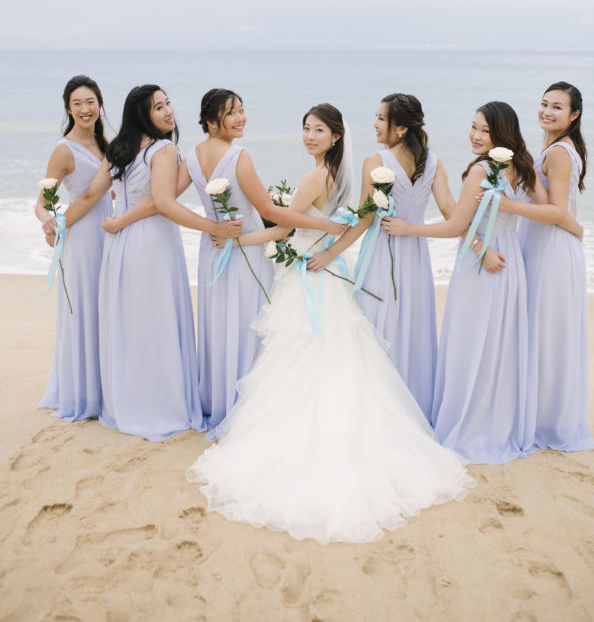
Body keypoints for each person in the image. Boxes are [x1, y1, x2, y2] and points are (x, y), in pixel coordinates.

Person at [186, 103, 473, 545]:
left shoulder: (314, 177)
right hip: (332, 273)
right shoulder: (339, 173)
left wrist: (238, 237)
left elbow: (283, 228)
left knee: (301, 357)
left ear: (336, 136)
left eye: (317, 130)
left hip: (312, 273)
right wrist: (329, 245)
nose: (308, 136)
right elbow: (353, 220)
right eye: (304, 128)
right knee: (343, 357)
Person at [108, 88, 347, 433]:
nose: (240, 118)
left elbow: (163, 199)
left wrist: (122, 212)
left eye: (241, 110)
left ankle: (218, 402)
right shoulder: (239, 157)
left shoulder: (191, 155)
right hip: (244, 249)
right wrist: (323, 223)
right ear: (211, 121)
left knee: (217, 325)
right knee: (250, 324)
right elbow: (266, 209)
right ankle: (247, 407)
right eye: (231, 113)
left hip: (213, 249)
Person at [382, 101, 582, 464]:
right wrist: (574, 227)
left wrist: (408, 229)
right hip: (511, 263)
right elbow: (554, 210)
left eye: (485, 130)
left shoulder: (483, 170)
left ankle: (467, 423)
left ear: (500, 134)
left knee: (469, 343)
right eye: (473, 127)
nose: (475, 135)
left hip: (480, 267)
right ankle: (497, 424)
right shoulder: (522, 167)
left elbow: (456, 227)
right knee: (500, 346)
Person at [63, 85, 240, 441]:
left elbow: (90, 195)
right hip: (153, 245)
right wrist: (214, 227)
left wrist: (61, 225)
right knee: (157, 321)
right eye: (159, 107)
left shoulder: (118, 149)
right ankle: (160, 403)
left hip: (119, 245)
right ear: (144, 114)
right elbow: (164, 204)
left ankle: (125, 401)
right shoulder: (164, 149)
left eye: (168, 103)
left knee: (129, 323)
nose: (168, 111)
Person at [307, 93, 458, 419]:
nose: (374, 124)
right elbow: (453, 214)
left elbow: (364, 217)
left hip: (382, 257)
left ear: (401, 128)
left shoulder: (375, 162)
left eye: (380, 118)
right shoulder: (435, 162)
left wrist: (330, 252)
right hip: (416, 258)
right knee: (411, 329)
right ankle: (412, 408)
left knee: (377, 328)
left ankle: (380, 413)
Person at [494, 82, 592, 451]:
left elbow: (558, 211)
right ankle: (541, 417)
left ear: (574, 115)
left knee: (546, 333)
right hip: (545, 245)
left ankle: (547, 423)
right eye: (544, 104)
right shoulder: (553, 149)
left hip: (551, 251)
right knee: (543, 332)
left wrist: (508, 206)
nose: (547, 112)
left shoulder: (561, 152)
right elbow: (556, 203)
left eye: (557, 107)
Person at [35, 75, 112, 420]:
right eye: (77, 103)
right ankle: (85, 393)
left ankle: (108, 387)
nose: (85, 109)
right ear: (68, 108)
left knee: (107, 309)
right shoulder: (64, 150)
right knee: (84, 309)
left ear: (99, 105)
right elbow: (42, 202)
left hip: (110, 234)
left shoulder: (107, 145)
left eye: (90, 102)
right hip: (81, 241)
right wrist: (48, 219)